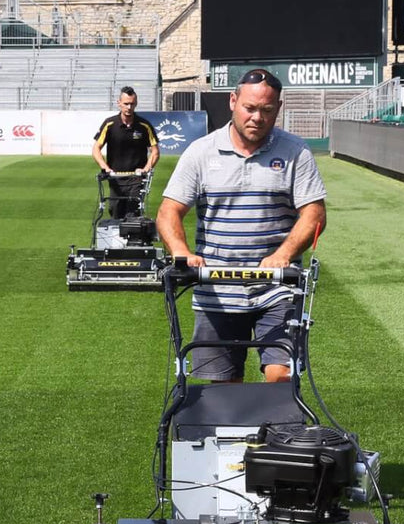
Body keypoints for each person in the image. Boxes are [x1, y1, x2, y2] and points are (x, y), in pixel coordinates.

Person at [157, 68, 327, 383]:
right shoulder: (201, 152)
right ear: (233, 102)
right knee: (224, 390)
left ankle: (279, 432)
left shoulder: (295, 152)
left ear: (278, 108)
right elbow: (169, 211)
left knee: (281, 378)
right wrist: (182, 253)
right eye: (250, 108)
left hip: (276, 289)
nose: (257, 117)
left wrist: (284, 253)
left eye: (266, 110)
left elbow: (315, 214)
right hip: (216, 290)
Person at [92, 87, 159, 219]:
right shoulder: (109, 124)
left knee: (132, 216)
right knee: (115, 212)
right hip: (115, 179)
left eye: (132, 104)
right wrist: (105, 167)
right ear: (119, 103)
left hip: (136, 179)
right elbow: (96, 149)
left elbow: (155, 152)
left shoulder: (144, 125)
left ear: (136, 103)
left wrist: (145, 169)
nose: (129, 107)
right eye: (126, 104)